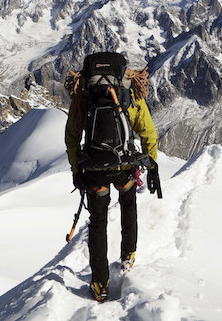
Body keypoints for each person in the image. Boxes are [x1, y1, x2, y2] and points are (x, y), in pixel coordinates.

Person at [64, 52, 158, 303]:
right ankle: (128, 256)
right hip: (123, 166)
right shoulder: (128, 89)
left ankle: (99, 284)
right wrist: (151, 162)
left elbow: (72, 136)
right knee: (128, 203)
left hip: (94, 168)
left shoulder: (84, 92)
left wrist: (76, 170)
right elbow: (147, 131)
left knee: (98, 223)